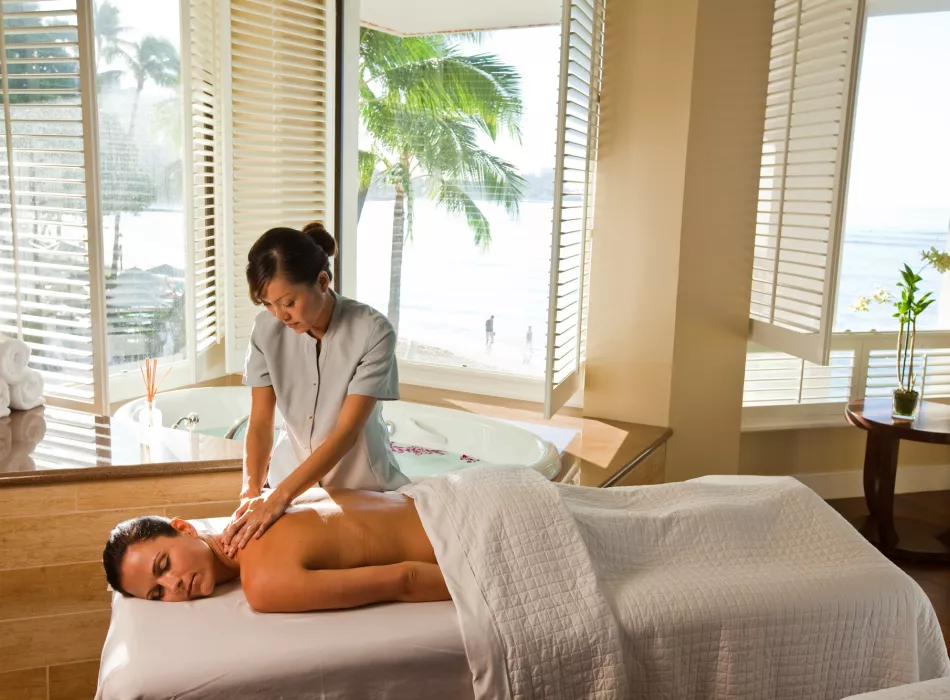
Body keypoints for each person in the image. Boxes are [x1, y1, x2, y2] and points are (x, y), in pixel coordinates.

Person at [227, 222, 409, 558]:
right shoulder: (266, 330)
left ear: (322, 282)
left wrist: (278, 497)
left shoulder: (373, 332)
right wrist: (251, 493)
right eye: (267, 304)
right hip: (285, 485)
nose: (279, 315)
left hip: (361, 488)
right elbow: (261, 423)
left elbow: (345, 434)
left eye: (288, 302)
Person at [102, 488, 450, 613]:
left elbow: (406, 580)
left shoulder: (264, 585)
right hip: (439, 494)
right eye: (156, 594)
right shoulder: (271, 498)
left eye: (164, 564)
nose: (173, 584)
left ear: (184, 528)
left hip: (460, 532)